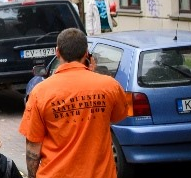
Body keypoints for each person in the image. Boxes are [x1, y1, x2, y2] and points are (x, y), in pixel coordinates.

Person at [19, 28, 128, 178]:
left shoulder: (40, 92)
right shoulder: (109, 86)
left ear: (57, 52)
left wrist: (32, 175)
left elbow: (33, 146)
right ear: (86, 53)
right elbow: (119, 116)